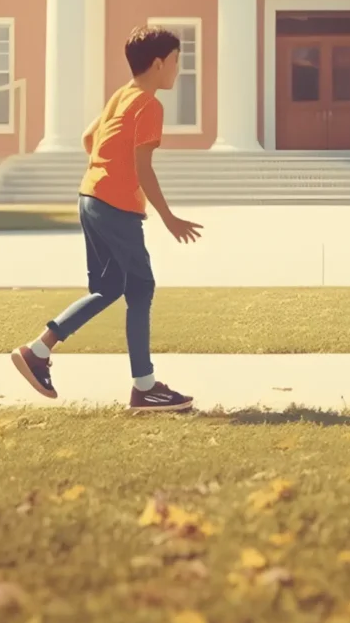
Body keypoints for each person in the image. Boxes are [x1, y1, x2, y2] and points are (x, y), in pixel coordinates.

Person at [10, 26, 205, 412]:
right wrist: (169, 218)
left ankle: (38, 351)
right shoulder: (149, 105)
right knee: (141, 287)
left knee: (109, 287)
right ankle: (145, 387)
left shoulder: (122, 94)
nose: (178, 69)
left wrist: (106, 168)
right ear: (158, 63)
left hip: (90, 197)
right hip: (115, 205)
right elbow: (143, 168)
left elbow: (89, 138)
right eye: (176, 61)